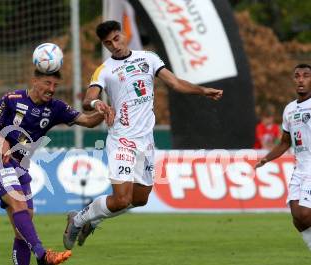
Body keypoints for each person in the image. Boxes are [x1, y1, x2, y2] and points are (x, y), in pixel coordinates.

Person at [63, 20, 223, 249]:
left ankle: (93, 218)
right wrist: (99, 103)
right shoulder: (105, 69)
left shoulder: (148, 58)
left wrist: (203, 91)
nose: (114, 45)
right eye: (108, 43)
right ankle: (77, 220)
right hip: (122, 139)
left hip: (145, 141)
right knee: (121, 199)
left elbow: (175, 83)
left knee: (140, 199)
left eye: (116, 38)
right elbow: (88, 99)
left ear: (124, 34)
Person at [0, 68, 112, 265]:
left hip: (20, 168)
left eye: (55, 85)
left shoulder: (56, 108)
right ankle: (42, 255)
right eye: (47, 83)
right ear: (34, 81)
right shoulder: (12, 99)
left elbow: (88, 121)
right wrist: (2, 141)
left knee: (23, 227)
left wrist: (103, 109)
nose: (51, 89)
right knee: (19, 207)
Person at [255, 63, 311, 250]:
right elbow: (285, 142)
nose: (301, 79)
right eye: (297, 76)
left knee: (305, 214)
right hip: (300, 169)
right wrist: (266, 158)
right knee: (298, 218)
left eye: (305, 75)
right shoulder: (289, 109)